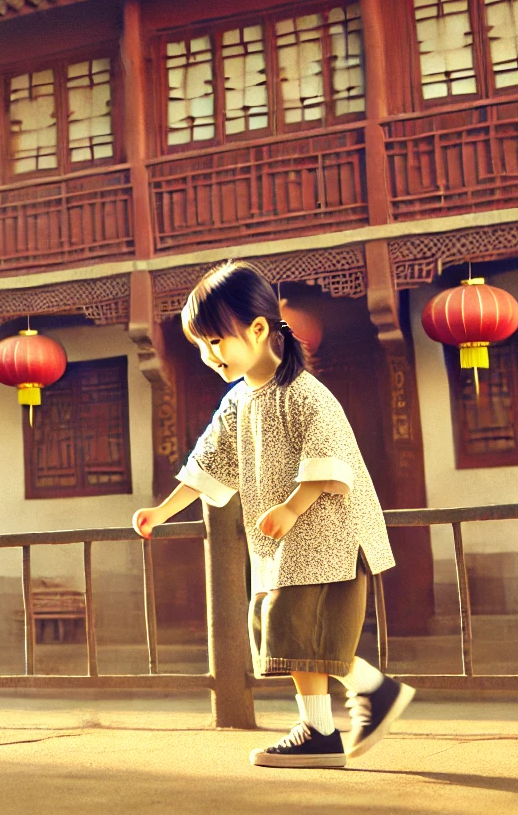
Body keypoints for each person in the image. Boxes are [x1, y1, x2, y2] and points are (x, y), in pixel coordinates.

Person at [132, 261, 409, 769]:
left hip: (326, 530)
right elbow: (207, 462)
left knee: (294, 627)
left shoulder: (304, 392)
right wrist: (162, 511)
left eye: (217, 341)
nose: (209, 355)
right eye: (201, 345)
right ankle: (350, 707)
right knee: (292, 630)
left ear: (259, 329)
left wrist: (292, 506)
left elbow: (330, 456)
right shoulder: (238, 400)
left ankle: (326, 725)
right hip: (289, 541)